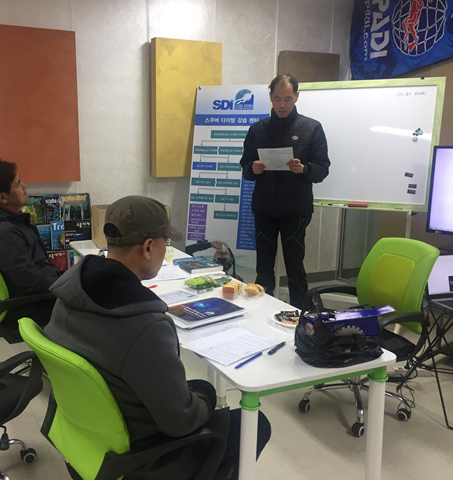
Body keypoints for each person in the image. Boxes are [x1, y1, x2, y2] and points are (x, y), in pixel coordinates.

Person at [44, 195, 271, 480]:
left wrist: (200, 398)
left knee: (204, 389)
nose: (166, 249)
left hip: (91, 434)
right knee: (255, 424)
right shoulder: (145, 326)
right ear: (148, 247)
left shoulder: (69, 292)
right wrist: (203, 403)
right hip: (141, 459)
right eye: (166, 241)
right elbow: (180, 422)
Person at [240, 74, 330, 310]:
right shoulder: (257, 129)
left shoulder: (312, 127)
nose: (282, 105)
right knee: (263, 270)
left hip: (296, 210)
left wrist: (304, 169)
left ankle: (300, 316)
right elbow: (245, 167)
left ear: (297, 96)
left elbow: (322, 169)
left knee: (295, 269)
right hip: (264, 209)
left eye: (287, 99)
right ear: (270, 97)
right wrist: (252, 168)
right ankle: (260, 313)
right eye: (277, 99)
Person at [0, 159, 61, 327]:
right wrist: (67, 286)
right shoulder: (4, 233)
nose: (24, 186)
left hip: (36, 294)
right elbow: (31, 282)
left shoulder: (3, 222)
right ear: (2, 197)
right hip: (31, 306)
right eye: (18, 184)